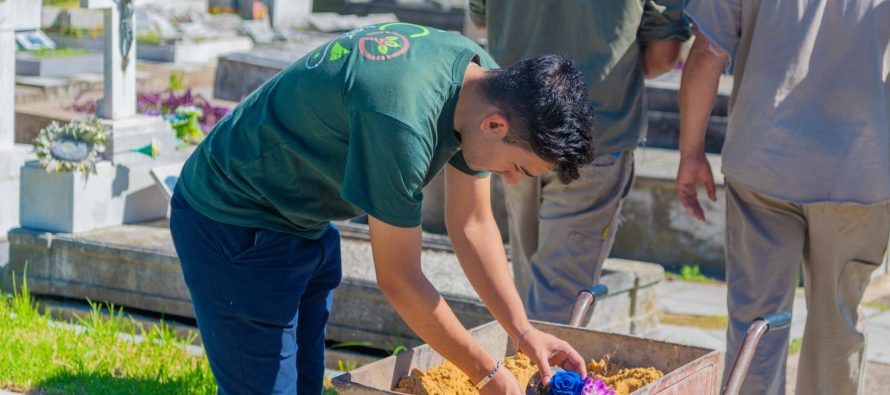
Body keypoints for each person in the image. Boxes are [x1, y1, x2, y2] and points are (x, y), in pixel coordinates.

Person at [169, 22, 593, 395]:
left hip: (302, 219)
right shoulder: (401, 124)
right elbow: (399, 280)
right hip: (233, 219)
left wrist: (523, 332)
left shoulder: (481, 78)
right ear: (496, 125)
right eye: (518, 166)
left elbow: (472, 223)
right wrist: (486, 375)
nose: (514, 180)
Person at [678, 1, 890, 393]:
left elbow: (708, 51)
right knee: (837, 325)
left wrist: (691, 153)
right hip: (859, 168)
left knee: (755, 324)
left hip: (764, 160)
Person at [469, 0, 691, 323]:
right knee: (557, 306)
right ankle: (540, 374)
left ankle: (523, 369)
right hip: (595, 131)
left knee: (525, 297)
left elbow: (481, 19)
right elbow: (665, 53)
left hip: (513, 130)